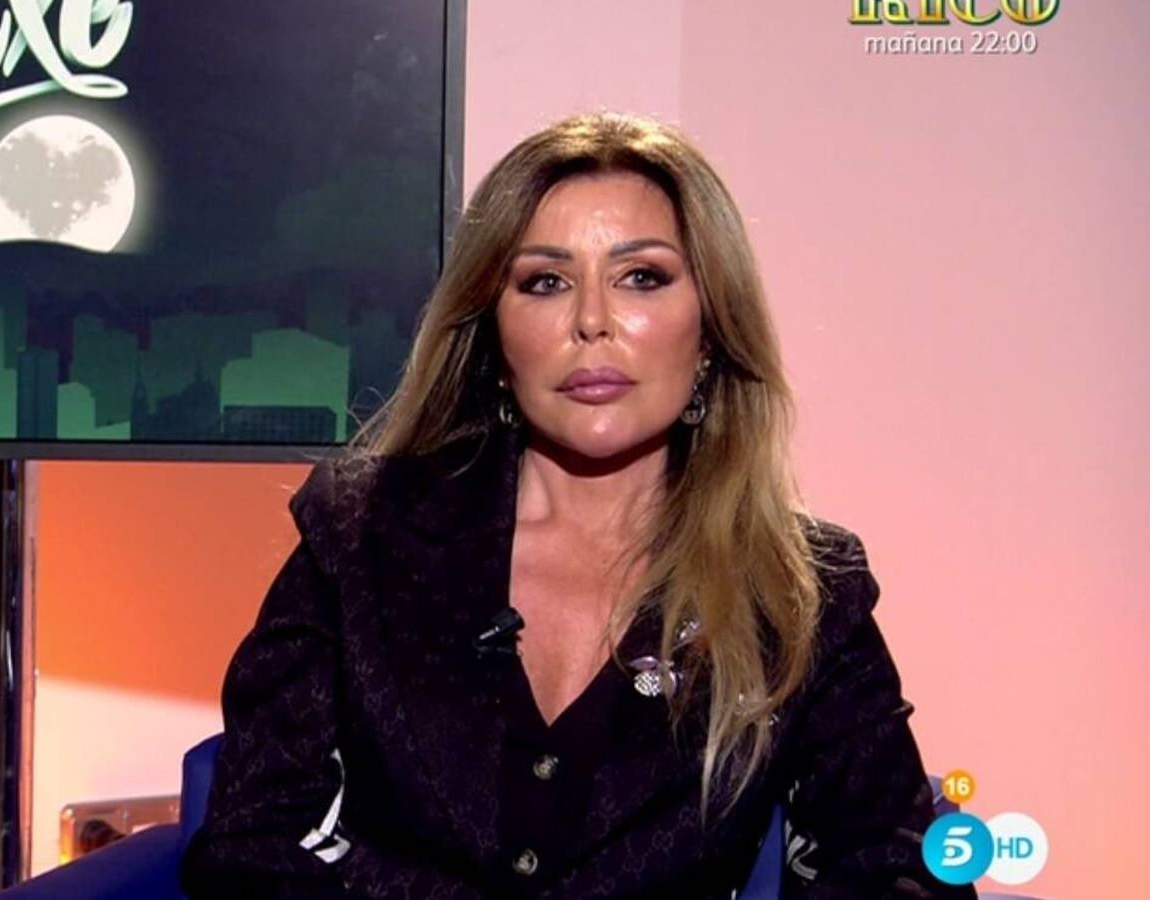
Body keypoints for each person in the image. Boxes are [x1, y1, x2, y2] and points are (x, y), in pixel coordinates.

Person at [181, 113, 975, 899]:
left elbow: (900, 867)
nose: (592, 322)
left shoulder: (800, 591)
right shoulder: (361, 532)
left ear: (710, 331)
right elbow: (253, 845)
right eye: (545, 282)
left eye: (642, 277)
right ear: (495, 340)